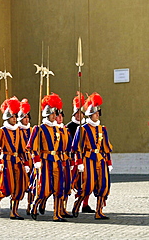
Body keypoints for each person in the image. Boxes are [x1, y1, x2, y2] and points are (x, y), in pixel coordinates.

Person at [71, 92, 113, 220]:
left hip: (101, 160)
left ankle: (99, 211)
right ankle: (78, 203)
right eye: (95, 113)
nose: (97, 115)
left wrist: (109, 162)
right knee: (87, 185)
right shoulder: (82, 129)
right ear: (90, 115)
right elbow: (77, 147)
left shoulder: (103, 129)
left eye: (98, 113)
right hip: (88, 159)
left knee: (103, 185)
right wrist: (79, 162)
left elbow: (106, 147)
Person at [27, 93, 66, 222]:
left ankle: (57, 214)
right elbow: (32, 146)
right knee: (45, 188)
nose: (55, 116)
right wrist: (36, 160)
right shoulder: (39, 129)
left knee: (59, 188)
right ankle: (35, 204)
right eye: (52, 114)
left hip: (57, 161)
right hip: (44, 161)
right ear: (47, 114)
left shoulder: (57, 129)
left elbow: (61, 146)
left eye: (55, 114)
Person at [0, 97, 28, 220]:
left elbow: (23, 148)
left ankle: (14, 211)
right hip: (6, 161)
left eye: (15, 117)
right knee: (7, 186)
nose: (15, 119)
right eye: (12, 117)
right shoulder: (0, 131)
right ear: (7, 117)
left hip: (17, 161)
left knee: (19, 187)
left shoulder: (19, 131)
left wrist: (26, 162)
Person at [66, 92, 95, 213]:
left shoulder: (87, 126)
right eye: (77, 114)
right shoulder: (69, 127)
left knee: (87, 181)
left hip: (86, 158)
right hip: (73, 158)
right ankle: (70, 204)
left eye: (81, 114)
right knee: (74, 182)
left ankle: (85, 204)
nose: (79, 116)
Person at [55, 108, 73, 218]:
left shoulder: (66, 130)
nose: (60, 118)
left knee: (66, 185)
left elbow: (70, 146)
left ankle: (63, 208)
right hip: (55, 160)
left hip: (65, 160)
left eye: (62, 115)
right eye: (58, 116)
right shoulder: (52, 130)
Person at [16, 99, 33, 215]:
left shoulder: (32, 130)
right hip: (21, 159)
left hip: (32, 159)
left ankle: (29, 205)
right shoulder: (17, 130)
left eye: (27, 117)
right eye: (24, 118)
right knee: (20, 184)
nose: (26, 120)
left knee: (32, 183)